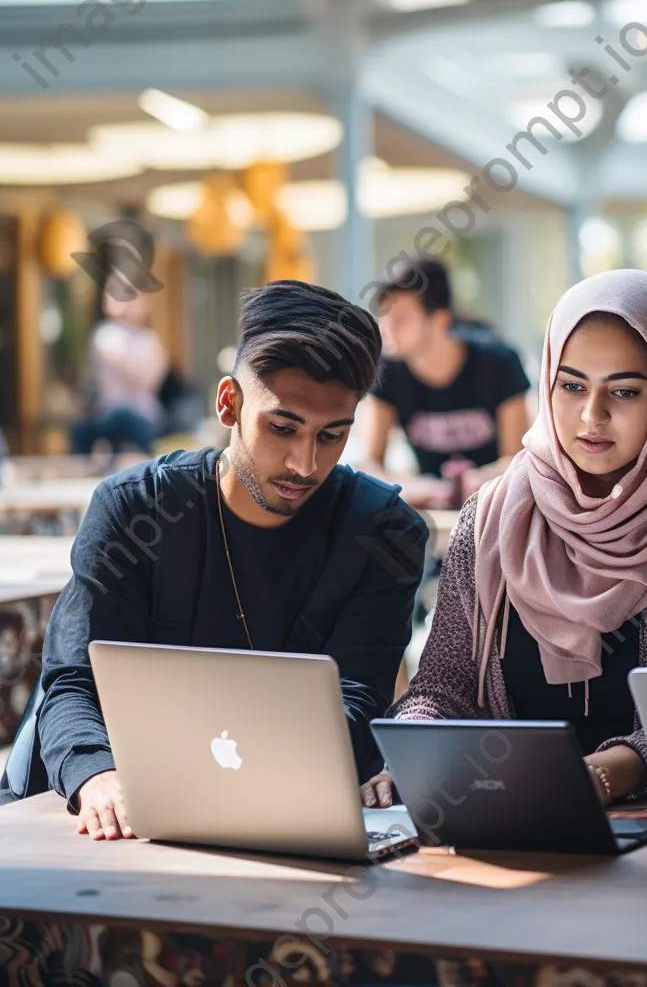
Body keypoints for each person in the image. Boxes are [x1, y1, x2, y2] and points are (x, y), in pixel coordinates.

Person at [10, 281, 428, 838]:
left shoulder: (385, 532)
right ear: (229, 402)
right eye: (282, 428)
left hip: (279, 822)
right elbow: (72, 681)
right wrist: (97, 775)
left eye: (333, 435)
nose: (305, 463)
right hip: (111, 819)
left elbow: (356, 707)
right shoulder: (137, 510)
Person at [363, 269, 647, 808]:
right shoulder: (491, 515)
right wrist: (411, 755)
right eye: (571, 386)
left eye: (624, 391)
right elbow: (441, 687)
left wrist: (586, 779)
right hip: (498, 818)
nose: (592, 416)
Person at [363, 258, 530, 506]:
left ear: (440, 318)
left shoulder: (499, 364)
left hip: (497, 507)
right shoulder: (386, 371)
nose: (387, 329)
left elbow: (518, 460)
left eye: (401, 319)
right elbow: (370, 464)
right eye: (384, 318)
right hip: (431, 513)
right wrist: (408, 489)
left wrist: (480, 481)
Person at [71, 282, 170, 456]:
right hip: (109, 413)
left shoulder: (148, 338)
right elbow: (136, 372)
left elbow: (151, 377)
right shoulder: (105, 334)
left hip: (143, 416)